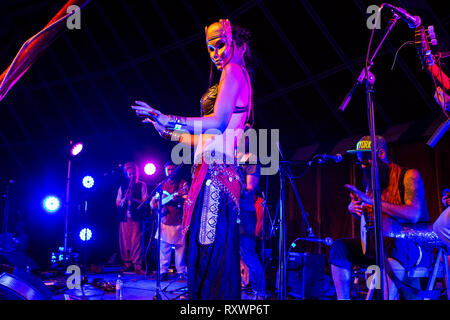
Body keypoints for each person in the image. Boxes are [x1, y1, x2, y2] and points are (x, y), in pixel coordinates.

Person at [132, 19, 254, 299]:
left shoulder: (235, 71)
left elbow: (219, 122)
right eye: (210, 48)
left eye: (221, 44)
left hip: (217, 176)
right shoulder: (228, 76)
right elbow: (200, 138)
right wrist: (165, 129)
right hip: (207, 173)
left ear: (239, 44)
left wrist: (169, 118)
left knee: (208, 250)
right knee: (203, 250)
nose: (215, 54)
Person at [329, 135, 432, 300]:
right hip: (382, 243)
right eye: (360, 161)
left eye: (366, 160)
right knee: (339, 248)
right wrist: (358, 210)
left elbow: (413, 214)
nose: (362, 165)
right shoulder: (372, 184)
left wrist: (372, 202)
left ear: (381, 154)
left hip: (413, 242)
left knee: (392, 244)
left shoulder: (409, 175)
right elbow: (376, 221)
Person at [150, 161, 189, 281]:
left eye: (173, 169)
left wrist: (179, 198)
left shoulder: (183, 184)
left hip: (178, 221)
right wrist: (158, 205)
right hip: (164, 221)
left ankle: (181, 272)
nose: (171, 172)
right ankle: (163, 272)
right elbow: (153, 204)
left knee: (180, 249)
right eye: (169, 170)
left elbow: (188, 198)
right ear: (165, 171)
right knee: (164, 249)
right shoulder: (161, 186)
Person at [237, 148, 266, 299]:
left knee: (248, 253)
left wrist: (231, 187)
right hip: (228, 212)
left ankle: (260, 293)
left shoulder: (250, 158)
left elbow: (250, 189)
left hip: (244, 212)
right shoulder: (227, 156)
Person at [116, 162, 148, 275]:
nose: (131, 176)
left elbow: (145, 202)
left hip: (136, 217)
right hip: (124, 217)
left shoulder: (141, 185)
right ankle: (127, 264)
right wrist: (123, 200)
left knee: (136, 242)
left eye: (133, 174)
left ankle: (137, 265)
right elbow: (117, 202)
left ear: (136, 174)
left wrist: (132, 199)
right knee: (124, 241)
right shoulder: (123, 186)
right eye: (129, 174)